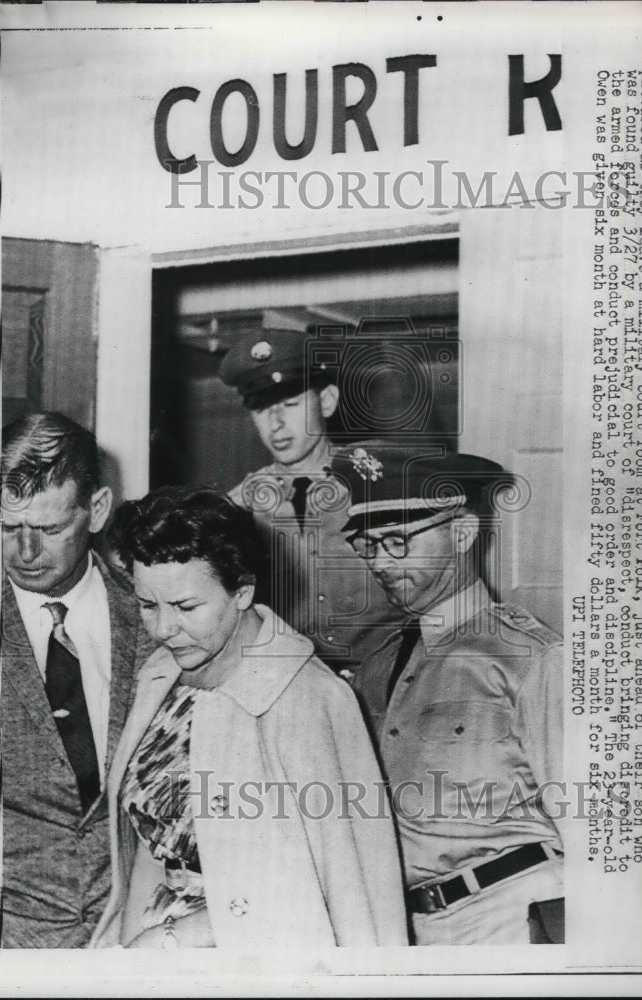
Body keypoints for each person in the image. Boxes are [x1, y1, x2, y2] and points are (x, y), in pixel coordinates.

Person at [90, 486, 407, 949]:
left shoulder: (309, 698)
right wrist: (130, 949)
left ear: (242, 591)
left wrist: (173, 940)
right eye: (147, 605)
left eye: (185, 607)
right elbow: (151, 842)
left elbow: (344, 891)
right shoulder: (162, 676)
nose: (161, 629)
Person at [335, 445, 564, 946]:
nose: (379, 561)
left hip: (511, 922)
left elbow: (601, 834)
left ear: (462, 533)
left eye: (396, 539)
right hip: (409, 929)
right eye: (367, 544)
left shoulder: (529, 658)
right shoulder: (376, 664)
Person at [0, 412, 154, 948]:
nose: (26, 552)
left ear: (99, 510)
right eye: (10, 526)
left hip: (130, 935)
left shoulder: (157, 617)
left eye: (50, 528)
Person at [219, 327, 400, 676]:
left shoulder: (383, 484)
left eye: (290, 404)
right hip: (293, 688)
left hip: (385, 683)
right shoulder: (236, 509)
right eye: (261, 409)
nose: (276, 423)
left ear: (327, 401)